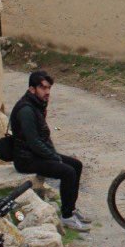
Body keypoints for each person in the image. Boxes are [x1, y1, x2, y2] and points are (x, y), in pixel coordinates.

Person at [10, 70, 91, 232]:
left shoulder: (36, 104)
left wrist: (53, 155)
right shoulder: (26, 110)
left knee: (76, 165)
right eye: (43, 88)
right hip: (26, 159)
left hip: (36, 154)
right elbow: (33, 141)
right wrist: (53, 157)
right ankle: (66, 217)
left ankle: (71, 208)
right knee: (68, 172)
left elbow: (43, 138)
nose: (47, 92)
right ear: (32, 89)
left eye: (49, 88)